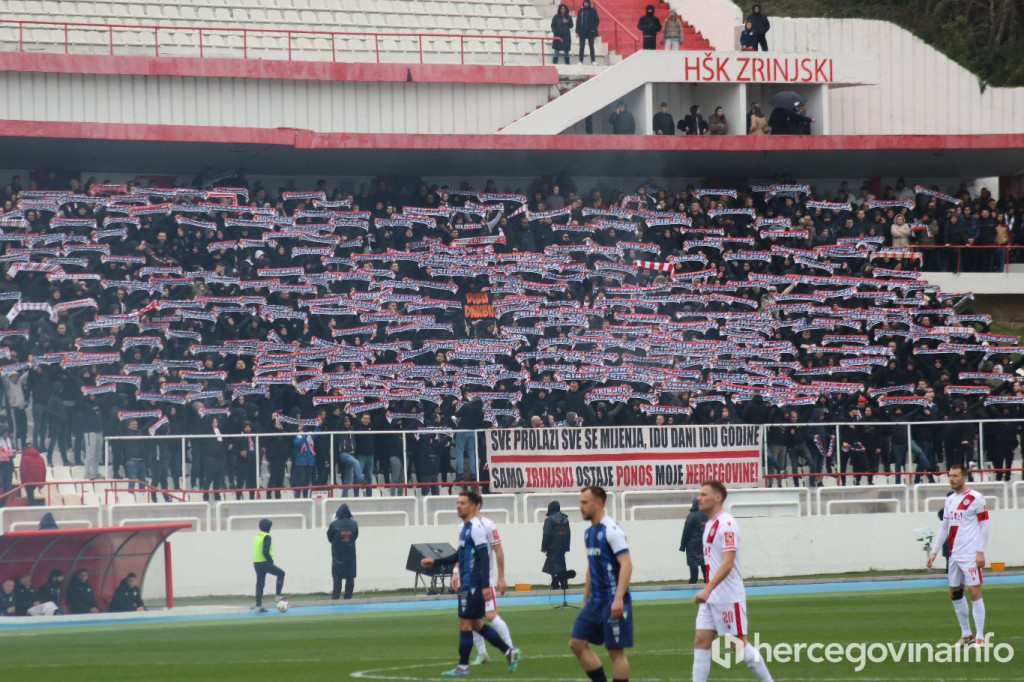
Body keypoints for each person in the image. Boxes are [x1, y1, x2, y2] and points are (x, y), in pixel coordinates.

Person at [420, 490, 521, 676]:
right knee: (476, 625)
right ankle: (509, 652)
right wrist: (435, 562)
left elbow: (484, 557)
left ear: (474, 506)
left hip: (473, 584)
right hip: (468, 581)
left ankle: (463, 666)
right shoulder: (463, 528)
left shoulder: (477, 528)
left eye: (463, 503)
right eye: (457, 503)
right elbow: (460, 554)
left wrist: (484, 586)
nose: (458, 506)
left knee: (465, 623)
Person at [692, 481, 773, 682]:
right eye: (699, 494)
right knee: (701, 640)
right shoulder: (710, 523)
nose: (698, 498)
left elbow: (728, 563)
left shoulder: (727, 524)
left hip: (727, 595)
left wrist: (707, 589)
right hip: (712, 596)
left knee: (737, 644)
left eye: (703, 494)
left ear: (718, 497)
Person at [569, 486, 633, 682]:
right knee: (576, 643)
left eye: (584, 502)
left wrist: (618, 598)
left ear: (598, 504)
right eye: (580, 502)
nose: (581, 507)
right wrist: (585, 596)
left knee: (615, 652)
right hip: (595, 601)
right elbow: (592, 565)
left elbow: (627, 564)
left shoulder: (611, 530)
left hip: (612, 600)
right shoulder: (589, 533)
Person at [926, 465, 990, 646]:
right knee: (954, 593)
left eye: (955, 476)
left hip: (970, 554)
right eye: (950, 476)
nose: (952, 479)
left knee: (974, 591)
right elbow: (944, 527)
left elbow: (985, 526)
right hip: (954, 554)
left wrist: (980, 551)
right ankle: (966, 633)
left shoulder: (976, 498)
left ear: (964, 477)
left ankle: (979, 637)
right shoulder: (950, 500)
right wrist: (934, 551)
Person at [467, 502, 515, 665]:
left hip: (484, 580)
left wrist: (501, 577)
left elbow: (498, 551)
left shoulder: (488, 525)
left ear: (478, 505)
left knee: (490, 615)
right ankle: (482, 654)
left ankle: (511, 650)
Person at [253, 518, 286, 613]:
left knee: (260, 584)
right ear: (268, 528)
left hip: (256, 563)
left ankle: (258, 606)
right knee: (281, 574)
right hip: (265, 562)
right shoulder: (267, 537)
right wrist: (270, 560)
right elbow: (265, 551)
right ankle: (278, 595)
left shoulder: (257, 536)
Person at [327, 503, 359, 600]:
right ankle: (348, 596)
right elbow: (355, 536)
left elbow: (329, 537)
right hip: (350, 554)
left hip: (338, 554)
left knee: (337, 576)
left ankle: (336, 596)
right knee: (350, 575)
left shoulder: (334, 525)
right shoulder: (354, 524)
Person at [542, 500, 571, 590]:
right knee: (561, 563)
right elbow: (568, 534)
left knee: (552, 564)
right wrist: (566, 546)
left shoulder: (549, 520)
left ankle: (555, 582)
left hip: (552, 546)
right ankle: (564, 582)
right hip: (562, 546)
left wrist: (544, 546)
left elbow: (546, 534)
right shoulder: (565, 520)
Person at [679, 498, 708, 584]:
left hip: (692, 546)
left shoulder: (691, 516)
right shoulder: (708, 515)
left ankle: (692, 584)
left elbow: (686, 532)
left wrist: (682, 546)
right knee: (705, 566)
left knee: (693, 568)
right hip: (704, 545)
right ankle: (707, 585)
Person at [18, 441, 45, 505]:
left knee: (30, 497)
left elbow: (23, 471)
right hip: (38, 480)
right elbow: (44, 470)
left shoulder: (24, 458)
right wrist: (42, 481)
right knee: (31, 496)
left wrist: (23, 482)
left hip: (29, 481)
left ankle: (31, 509)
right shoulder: (40, 457)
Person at [576, 0, 599, 65]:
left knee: (591, 46)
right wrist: (577, 31)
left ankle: (593, 61)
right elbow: (578, 21)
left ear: (589, 3)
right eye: (584, 3)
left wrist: (593, 29)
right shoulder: (581, 11)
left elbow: (597, 21)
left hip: (590, 32)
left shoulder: (593, 10)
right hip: (582, 31)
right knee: (581, 46)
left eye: (587, 3)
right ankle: (580, 61)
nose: (585, 4)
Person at [0, 428, 15, 507]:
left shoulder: (10, 441)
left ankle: (2, 504)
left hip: (8, 466)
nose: (7, 434)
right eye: (5, 433)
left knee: (7, 487)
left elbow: (12, 453)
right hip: (1, 466)